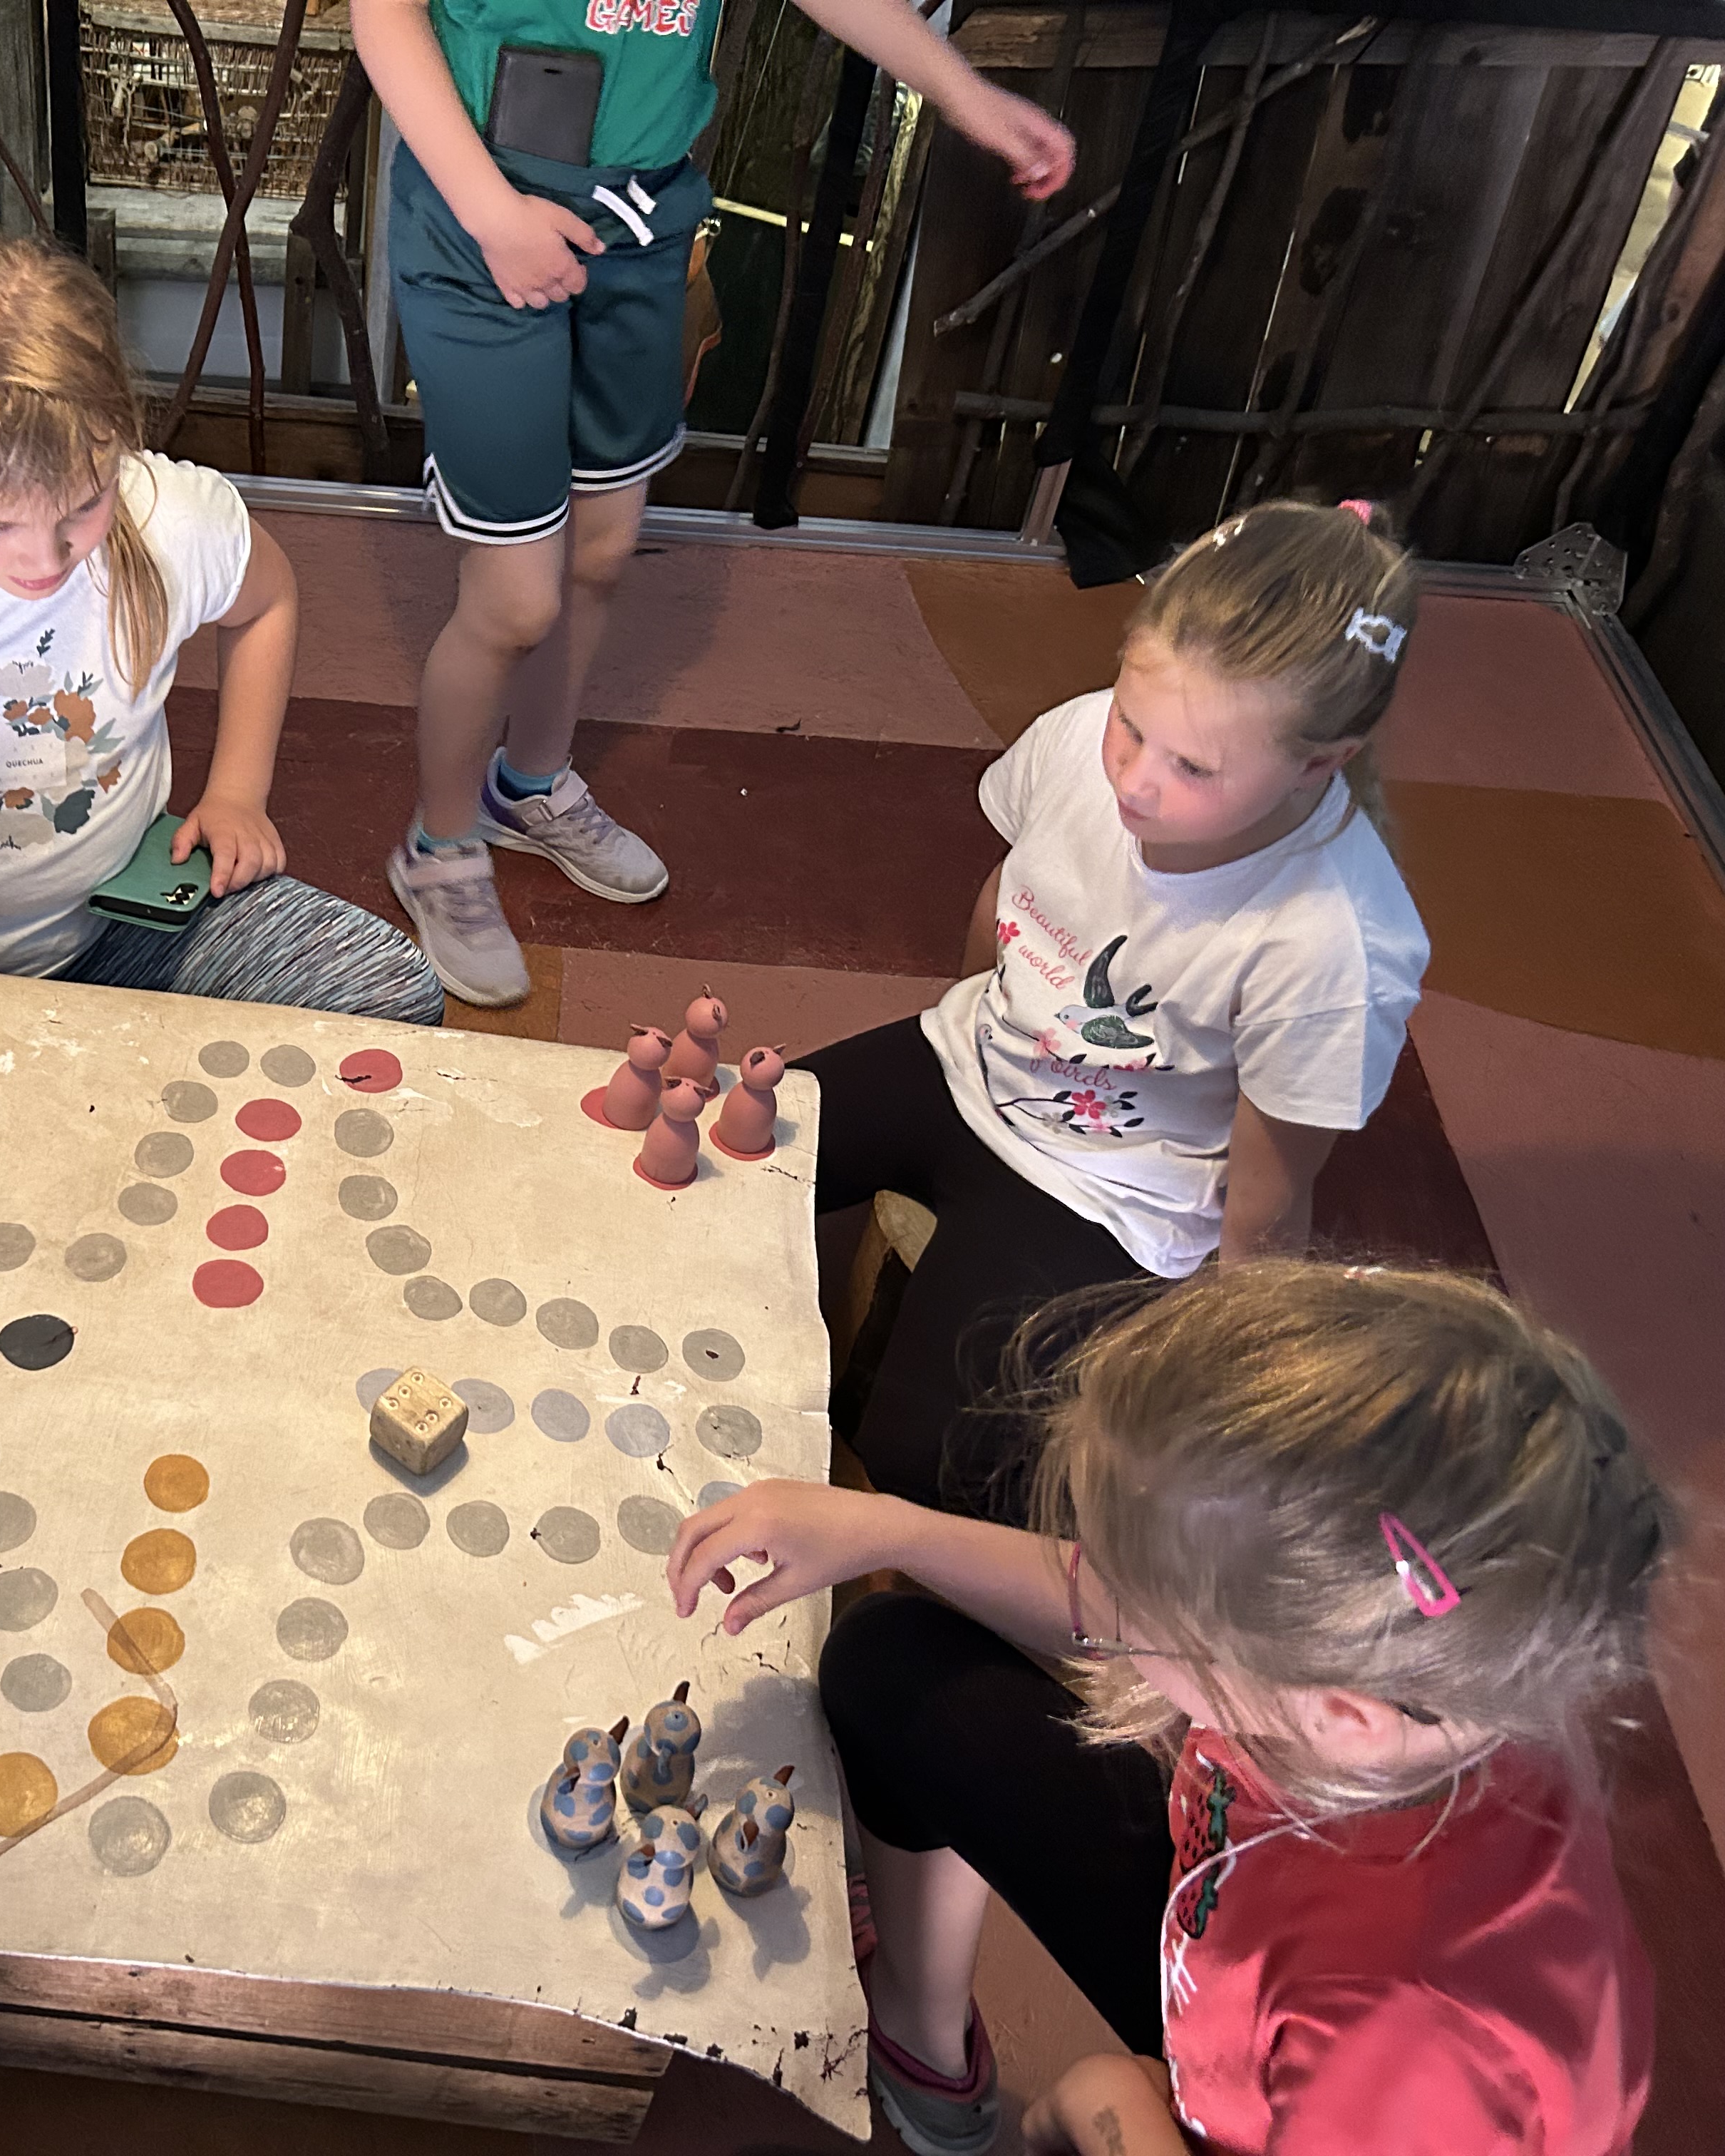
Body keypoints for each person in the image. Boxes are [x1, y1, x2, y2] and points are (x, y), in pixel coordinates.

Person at [669, 1261, 1662, 2155]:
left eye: (1137, 1598)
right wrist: (892, 1532)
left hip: (1277, 2058)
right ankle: (922, 2048)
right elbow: (1131, 1612)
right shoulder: (1451, 1663)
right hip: (1234, 1915)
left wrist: (1119, 2112)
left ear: (1334, 1708)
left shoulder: (1409, 2043)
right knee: (894, 1669)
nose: (1097, 1592)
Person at [355, 0, 1077, 1007]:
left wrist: (964, 95)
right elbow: (383, 13)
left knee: (602, 549)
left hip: (644, 222)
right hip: (482, 220)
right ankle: (439, 847)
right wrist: (491, 213)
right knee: (516, 596)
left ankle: (530, 787)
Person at [797, 500, 1429, 1521]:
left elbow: (1269, 1201)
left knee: (926, 1463)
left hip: (1112, 1187)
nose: (1134, 780)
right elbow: (1005, 903)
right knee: (722, 1148)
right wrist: (955, 1037)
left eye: (1194, 768)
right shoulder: (1077, 735)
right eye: (1133, 726)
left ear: (1323, 761)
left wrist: (1226, 1371)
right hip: (974, 1056)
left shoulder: (1336, 947)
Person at [0, 235, 445, 1027]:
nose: (45, 559)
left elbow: (266, 603)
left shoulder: (170, 520)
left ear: (117, 434)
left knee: (393, 992)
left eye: (84, 506)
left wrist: (237, 791)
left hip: (125, 918)